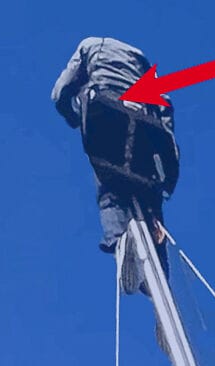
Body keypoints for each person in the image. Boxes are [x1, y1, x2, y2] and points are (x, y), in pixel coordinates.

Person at [53, 36, 178, 299]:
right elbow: (165, 108)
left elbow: (61, 91)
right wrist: (168, 167)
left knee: (110, 186)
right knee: (149, 194)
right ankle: (161, 278)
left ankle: (121, 243)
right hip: (144, 121)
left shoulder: (89, 46)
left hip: (106, 109)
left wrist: (72, 116)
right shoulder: (141, 61)